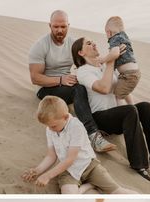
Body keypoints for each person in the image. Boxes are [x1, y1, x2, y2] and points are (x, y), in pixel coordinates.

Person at [72, 37, 150, 182]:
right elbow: (104, 88)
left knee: (146, 107)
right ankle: (139, 165)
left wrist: (135, 109)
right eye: (88, 43)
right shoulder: (83, 71)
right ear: (81, 53)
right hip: (101, 118)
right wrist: (111, 60)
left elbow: (122, 89)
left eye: (93, 41)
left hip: (119, 115)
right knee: (129, 111)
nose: (94, 43)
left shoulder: (104, 66)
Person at [28, 10, 115, 153]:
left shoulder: (73, 44)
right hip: (46, 88)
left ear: (68, 26)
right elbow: (35, 78)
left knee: (87, 86)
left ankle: (105, 122)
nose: (59, 30)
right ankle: (93, 135)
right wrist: (60, 79)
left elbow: (86, 62)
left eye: (63, 27)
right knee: (78, 89)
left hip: (68, 83)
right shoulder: (41, 46)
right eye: (56, 27)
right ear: (50, 25)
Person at [22, 97, 131, 193]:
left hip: (89, 166)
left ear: (65, 117)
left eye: (53, 126)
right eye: (48, 126)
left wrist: (47, 175)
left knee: (119, 192)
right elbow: (51, 156)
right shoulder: (50, 129)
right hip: (67, 171)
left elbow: (70, 159)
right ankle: (88, 186)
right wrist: (37, 170)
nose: (50, 129)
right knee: (69, 197)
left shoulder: (76, 127)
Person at [104, 16, 141, 105]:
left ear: (109, 32)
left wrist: (103, 59)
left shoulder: (114, 39)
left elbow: (114, 54)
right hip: (134, 73)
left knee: (118, 96)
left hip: (128, 74)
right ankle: (132, 107)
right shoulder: (124, 37)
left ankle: (124, 112)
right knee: (125, 92)